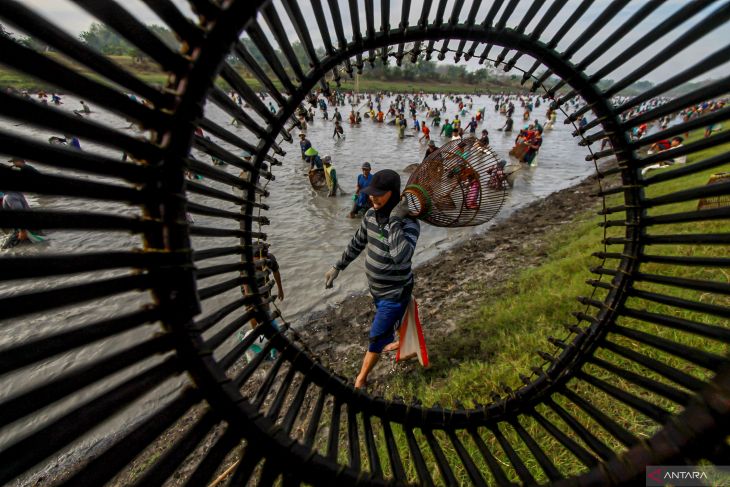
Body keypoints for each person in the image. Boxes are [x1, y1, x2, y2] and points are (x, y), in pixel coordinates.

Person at [325, 169, 419, 389]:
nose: (372, 197)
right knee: (393, 322)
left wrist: (395, 220)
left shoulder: (409, 224)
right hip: (376, 290)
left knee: (376, 337)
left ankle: (361, 378)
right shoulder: (369, 216)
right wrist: (337, 266)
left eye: (379, 193)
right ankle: (405, 344)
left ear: (394, 194)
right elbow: (357, 243)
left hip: (395, 292)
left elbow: (401, 258)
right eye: (371, 193)